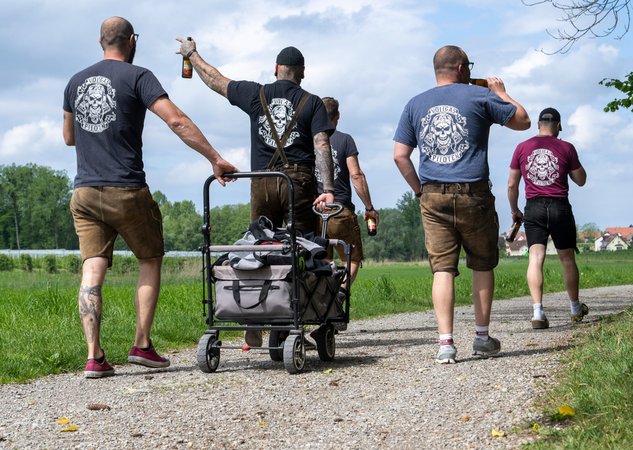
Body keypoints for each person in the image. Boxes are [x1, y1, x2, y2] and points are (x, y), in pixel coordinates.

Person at [63, 17, 239, 379]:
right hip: (125, 188)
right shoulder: (139, 76)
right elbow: (176, 121)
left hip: (83, 190)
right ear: (130, 41)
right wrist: (215, 158)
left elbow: (69, 137)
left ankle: (94, 357)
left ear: (101, 43)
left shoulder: (74, 82)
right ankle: (141, 345)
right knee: (150, 258)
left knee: (92, 267)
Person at [177, 39, 335, 347]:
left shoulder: (255, 93)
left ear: (276, 70)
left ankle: (254, 321)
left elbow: (215, 80)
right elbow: (322, 146)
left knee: (257, 248)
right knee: (301, 249)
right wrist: (328, 189)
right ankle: (294, 321)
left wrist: (191, 54)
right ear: (301, 74)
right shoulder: (313, 102)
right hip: (299, 183)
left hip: (262, 180)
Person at [393, 45, 531, 364]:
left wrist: (419, 191)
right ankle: (481, 338)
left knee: (442, 269)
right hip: (474, 195)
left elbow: (400, 155)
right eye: (469, 65)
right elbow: (523, 121)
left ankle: (446, 345)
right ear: (460, 68)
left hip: (433, 195)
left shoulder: (415, 104)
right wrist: (501, 92)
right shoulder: (480, 97)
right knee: (482, 263)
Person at [507, 107, 588, 330]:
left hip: (533, 208)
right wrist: (571, 166)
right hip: (559, 207)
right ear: (559, 125)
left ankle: (538, 313)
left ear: (538, 125)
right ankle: (574, 308)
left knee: (535, 258)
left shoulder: (522, 148)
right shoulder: (567, 148)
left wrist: (515, 211)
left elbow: (512, 184)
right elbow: (581, 180)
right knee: (567, 259)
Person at [317, 97, 379, 286]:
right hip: (339, 210)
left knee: (323, 258)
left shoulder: (309, 140)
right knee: (352, 258)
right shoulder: (345, 139)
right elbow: (356, 176)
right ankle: (340, 294)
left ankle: (325, 300)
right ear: (338, 116)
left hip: (316, 211)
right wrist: (369, 207)